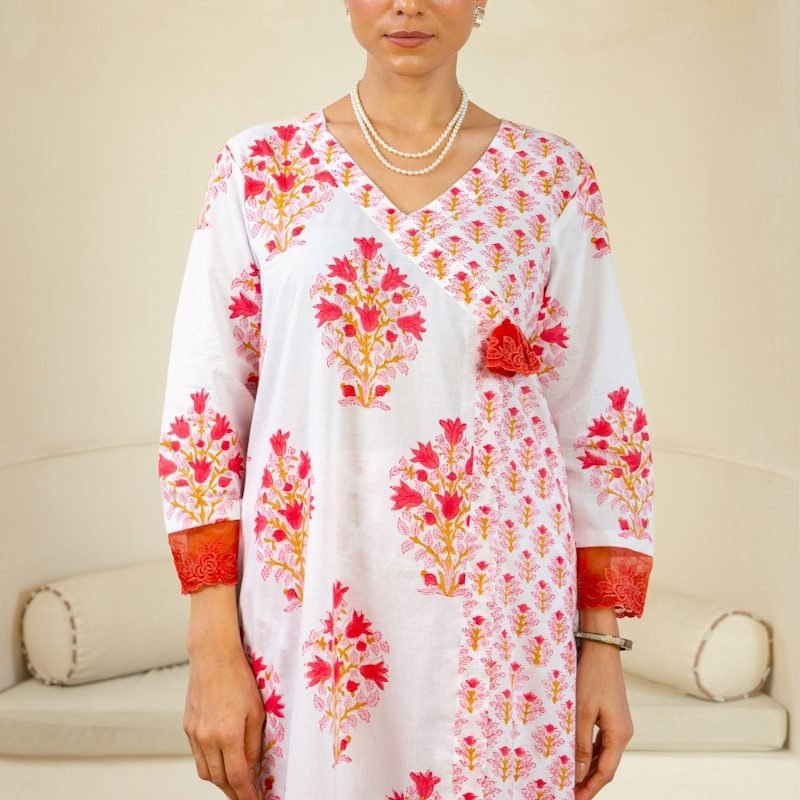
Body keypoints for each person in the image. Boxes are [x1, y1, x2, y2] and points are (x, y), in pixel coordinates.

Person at [157, 2, 655, 799]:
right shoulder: (259, 168)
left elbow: (597, 419)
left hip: (501, 612)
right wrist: (212, 648)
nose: (408, 3)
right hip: (314, 605)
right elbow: (205, 416)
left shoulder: (550, 178)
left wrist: (602, 648)